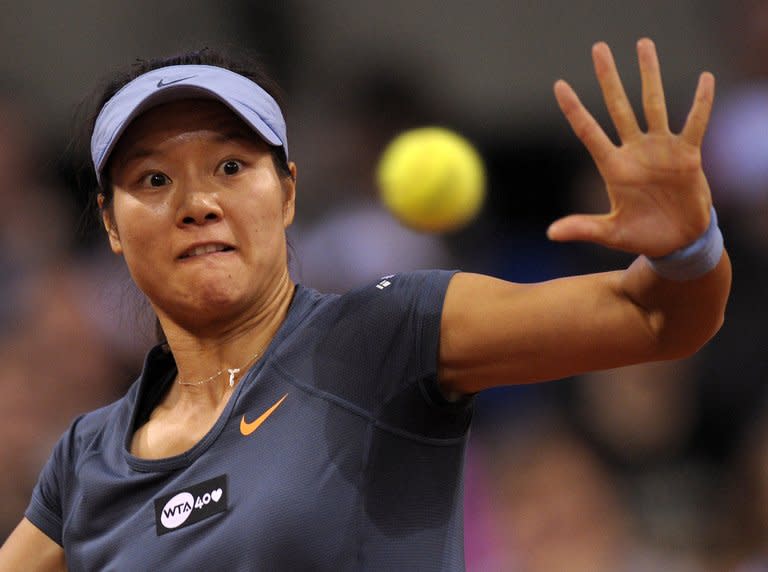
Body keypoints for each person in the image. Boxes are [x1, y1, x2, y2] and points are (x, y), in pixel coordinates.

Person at [0, 38, 731, 570]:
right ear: (110, 225)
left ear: (287, 194)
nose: (197, 203)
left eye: (230, 167)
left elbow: (656, 318)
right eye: (153, 181)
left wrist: (688, 248)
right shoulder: (85, 458)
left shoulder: (385, 333)